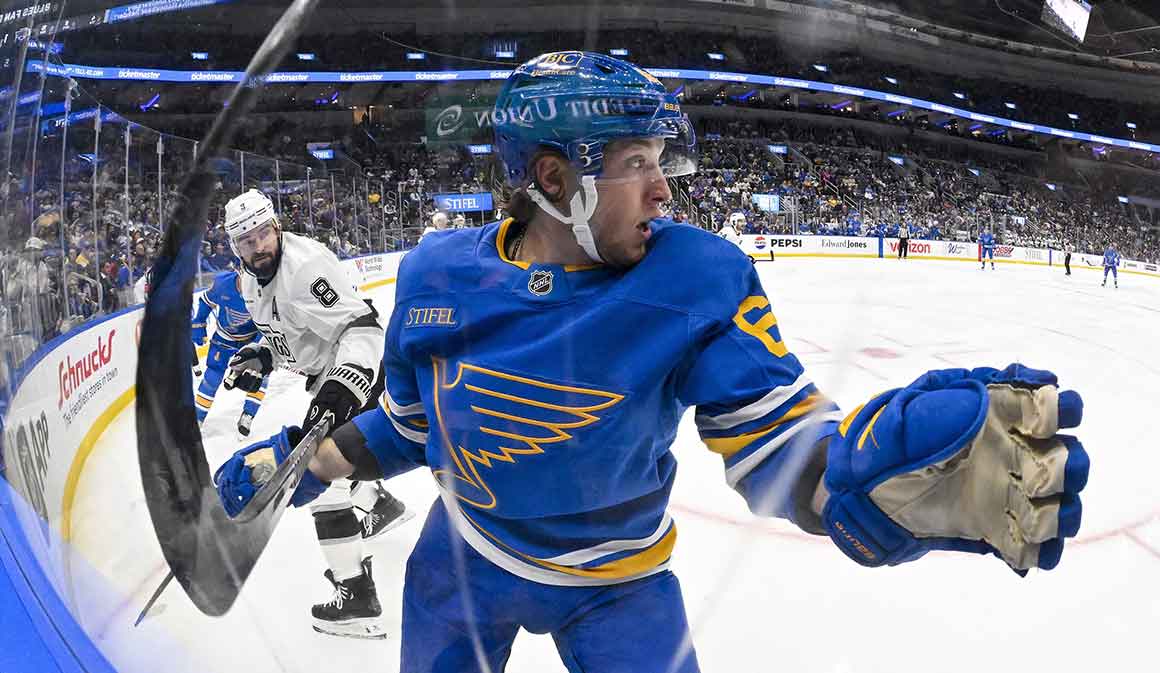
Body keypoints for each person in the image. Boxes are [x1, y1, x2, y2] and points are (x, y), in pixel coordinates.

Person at [215, 52, 1089, 672]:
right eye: (639, 164)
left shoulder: (698, 277)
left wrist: (848, 477)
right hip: (464, 561)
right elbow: (408, 427)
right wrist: (298, 455)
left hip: (618, 586)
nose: (665, 190)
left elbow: (776, 438)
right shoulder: (437, 274)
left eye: (660, 163)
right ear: (556, 181)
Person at [217, 188, 412, 639]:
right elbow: (286, 333)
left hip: (358, 367)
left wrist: (343, 386)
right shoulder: (250, 281)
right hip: (326, 376)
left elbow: (362, 327)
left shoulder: (306, 267)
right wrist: (262, 356)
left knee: (320, 483)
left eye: (264, 232)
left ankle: (357, 597)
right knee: (334, 468)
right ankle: (378, 504)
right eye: (247, 240)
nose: (259, 244)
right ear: (235, 247)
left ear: (276, 226)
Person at [191, 270, 270, 437]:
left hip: (252, 338)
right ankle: (197, 419)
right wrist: (198, 321)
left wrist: (257, 347)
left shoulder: (266, 288)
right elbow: (206, 301)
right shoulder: (223, 283)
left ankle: (248, 415)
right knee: (212, 376)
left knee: (259, 375)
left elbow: (268, 321)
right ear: (239, 272)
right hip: (224, 338)